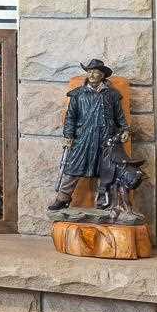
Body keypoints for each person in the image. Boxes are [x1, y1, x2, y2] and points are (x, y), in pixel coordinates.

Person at [50, 59, 132, 215]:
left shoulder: (112, 95)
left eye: (95, 72)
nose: (91, 74)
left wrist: (125, 129)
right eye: (89, 71)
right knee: (73, 167)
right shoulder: (78, 94)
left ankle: (103, 201)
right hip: (83, 138)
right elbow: (71, 117)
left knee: (106, 170)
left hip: (106, 138)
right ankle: (62, 197)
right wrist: (68, 135)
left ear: (102, 75)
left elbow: (119, 116)